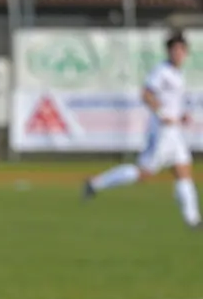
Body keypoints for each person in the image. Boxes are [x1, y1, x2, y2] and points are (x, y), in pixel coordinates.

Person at [84, 32, 200, 228]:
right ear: (169, 52)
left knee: (184, 171)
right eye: (175, 50)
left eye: (181, 50)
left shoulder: (177, 74)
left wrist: (182, 115)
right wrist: (163, 114)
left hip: (175, 132)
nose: (178, 53)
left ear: (186, 52)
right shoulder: (161, 71)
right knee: (144, 173)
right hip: (162, 132)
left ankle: (193, 220)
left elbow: (171, 101)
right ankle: (96, 183)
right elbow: (146, 94)